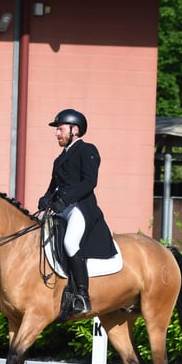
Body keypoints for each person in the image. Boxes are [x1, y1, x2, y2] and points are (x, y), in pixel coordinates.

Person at [37, 109, 115, 316]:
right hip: (62, 209)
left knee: (70, 243)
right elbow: (53, 186)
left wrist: (65, 200)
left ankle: (82, 295)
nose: (57, 134)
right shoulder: (58, 160)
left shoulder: (87, 149)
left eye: (60, 129)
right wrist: (46, 199)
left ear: (75, 130)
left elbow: (89, 182)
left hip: (80, 208)